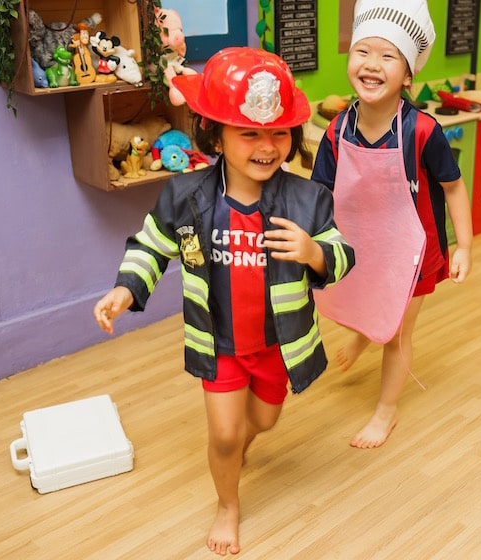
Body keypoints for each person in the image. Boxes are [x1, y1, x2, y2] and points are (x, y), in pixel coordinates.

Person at [93, 47, 354, 556]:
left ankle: (241, 445)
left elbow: (344, 254)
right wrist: (126, 287)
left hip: (279, 346)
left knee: (263, 423)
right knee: (225, 435)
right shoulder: (187, 197)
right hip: (220, 344)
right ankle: (228, 504)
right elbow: (152, 244)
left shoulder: (308, 200)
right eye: (249, 132)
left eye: (278, 133)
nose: (266, 146)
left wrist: (315, 252)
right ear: (214, 133)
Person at [311, 0, 473, 449]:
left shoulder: (423, 131)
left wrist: (465, 248)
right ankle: (366, 332)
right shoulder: (336, 131)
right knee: (368, 299)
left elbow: (455, 188)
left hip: (414, 249)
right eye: (363, 51)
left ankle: (386, 410)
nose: (372, 64)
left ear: (407, 75)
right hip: (361, 243)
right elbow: (319, 195)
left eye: (387, 56)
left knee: (400, 331)